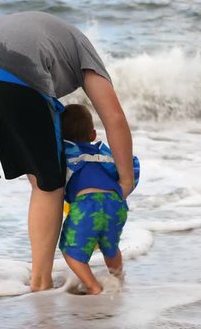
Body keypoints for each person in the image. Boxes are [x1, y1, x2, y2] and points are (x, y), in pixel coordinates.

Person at [0, 11, 134, 292]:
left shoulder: (37, 30)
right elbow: (113, 116)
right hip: (15, 71)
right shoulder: (82, 47)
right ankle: (41, 283)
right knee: (47, 182)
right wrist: (125, 180)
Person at [59, 104, 139, 294]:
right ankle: (118, 279)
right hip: (116, 204)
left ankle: (93, 286)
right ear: (93, 135)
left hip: (87, 206)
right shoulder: (104, 154)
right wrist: (124, 189)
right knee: (110, 246)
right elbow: (132, 165)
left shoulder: (64, 152)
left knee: (71, 251)